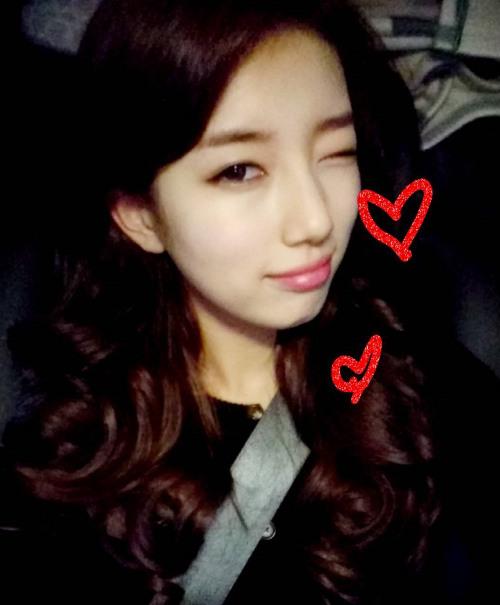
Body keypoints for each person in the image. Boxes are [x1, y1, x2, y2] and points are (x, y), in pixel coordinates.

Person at [1, 0, 452, 603]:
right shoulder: (72, 467)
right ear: (141, 216)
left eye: (337, 153)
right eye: (239, 170)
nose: (316, 220)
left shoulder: (408, 370)